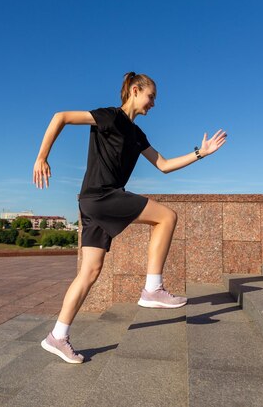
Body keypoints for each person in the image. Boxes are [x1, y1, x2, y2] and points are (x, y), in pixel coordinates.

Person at [33, 72, 227, 364]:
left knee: (90, 272)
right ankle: (152, 288)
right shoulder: (110, 116)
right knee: (167, 217)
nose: (153, 104)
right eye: (151, 97)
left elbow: (163, 165)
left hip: (91, 203)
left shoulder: (137, 135)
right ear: (135, 91)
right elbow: (60, 116)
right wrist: (41, 156)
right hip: (101, 195)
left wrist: (200, 153)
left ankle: (57, 336)